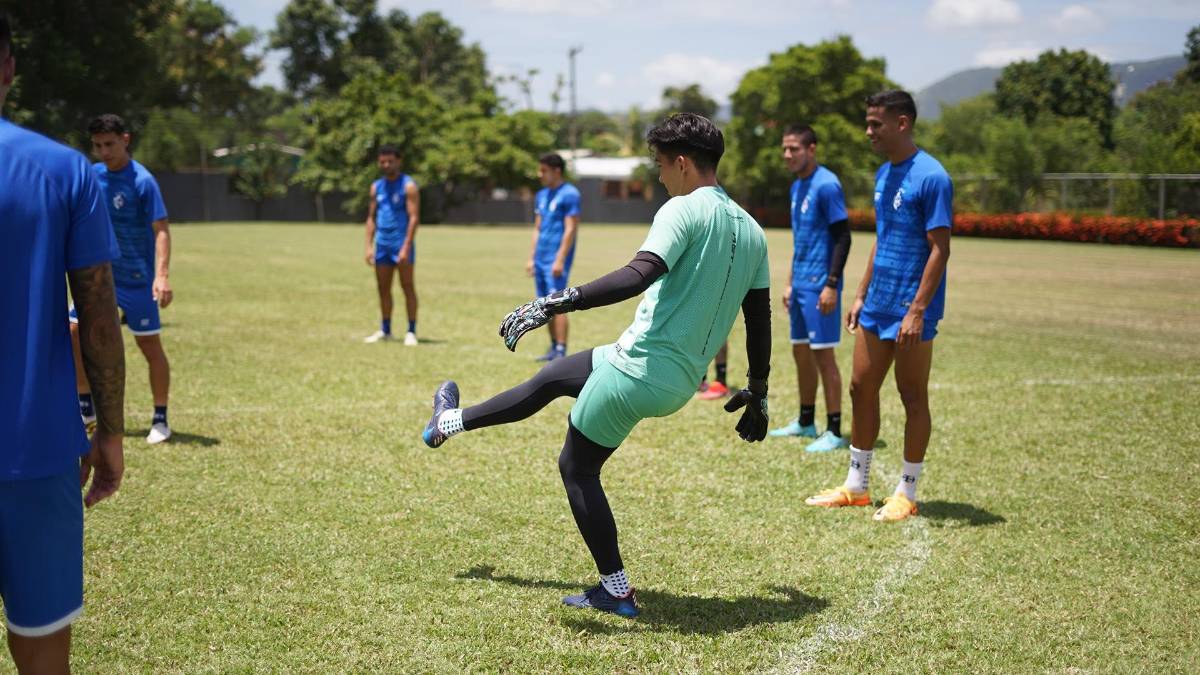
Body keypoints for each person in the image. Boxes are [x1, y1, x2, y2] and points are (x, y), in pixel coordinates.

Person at [421, 113, 772, 617]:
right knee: (551, 379)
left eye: (659, 165)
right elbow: (758, 319)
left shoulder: (683, 210)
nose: (658, 177)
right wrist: (757, 391)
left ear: (681, 162)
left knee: (576, 467)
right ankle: (446, 423)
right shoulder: (753, 230)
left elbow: (637, 275)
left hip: (638, 369)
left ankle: (616, 589)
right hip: (675, 379)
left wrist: (552, 303)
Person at [0, 15, 127, 670]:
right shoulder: (64, 172)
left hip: (42, 450)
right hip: (39, 451)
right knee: (44, 650)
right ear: (9, 68)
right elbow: (100, 320)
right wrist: (110, 431)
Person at [805, 90, 952, 522]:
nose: (868, 131)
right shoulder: (884, 174)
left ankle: (906, 490)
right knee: (860, 387)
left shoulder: (933, 176)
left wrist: (918, 309)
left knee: (911, 394)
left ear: (902, 123)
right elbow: (883, 240)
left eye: (876, 124)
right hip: (877, 303)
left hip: (911, 308)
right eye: (868, 123)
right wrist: (860, 293)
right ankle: (857, 486)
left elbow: (940, 249)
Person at [69, 113, 173, 444]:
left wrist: (162, 276)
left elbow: (161, 231)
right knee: (73, 331)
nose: (104, 152)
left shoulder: (142, 181)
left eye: (110, 144)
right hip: (100, 279)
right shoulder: (93, 176)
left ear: (125, 140)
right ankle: (87, 407)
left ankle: (161, 419)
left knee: (148, 345)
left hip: (137, 280)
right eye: (98, 145)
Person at [767, 125, 852, 453]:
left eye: (794, 149)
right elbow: (800, 241)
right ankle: (806, 422)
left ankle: (833, 429)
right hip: (800, 285)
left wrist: (831, 285)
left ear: (812, 149)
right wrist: (789, 282)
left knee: (823, 356)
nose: (788, 155)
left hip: (821, 287)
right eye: (785, 149)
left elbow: (843, 238)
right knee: (800, 352)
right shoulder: (797, 187)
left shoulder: (827, 185)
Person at [525, 153, 581, 361]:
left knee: (558, 303)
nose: (540, 174)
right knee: (544, 304)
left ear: (556, 171)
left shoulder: (570, 194)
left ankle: (561, 350)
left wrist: (560, 259)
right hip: (540, 258)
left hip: (556, 260)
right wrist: (532, 257)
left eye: (544, 171)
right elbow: (537, 229)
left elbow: (570, 229)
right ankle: (552, 348)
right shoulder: (541, 195)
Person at [363, 144, 420, 345]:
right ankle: (385, 330)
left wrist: (406, 246)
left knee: (407, 286)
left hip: (401, 244)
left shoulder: (408, 185)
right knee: (383, 288)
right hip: (383, 245)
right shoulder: (376, 187)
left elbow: (414, 218)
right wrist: (369, 246)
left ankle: (411, 331)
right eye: (382, 162)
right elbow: (371, 218)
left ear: (398, 161)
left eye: (390, 161)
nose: (386, 165)